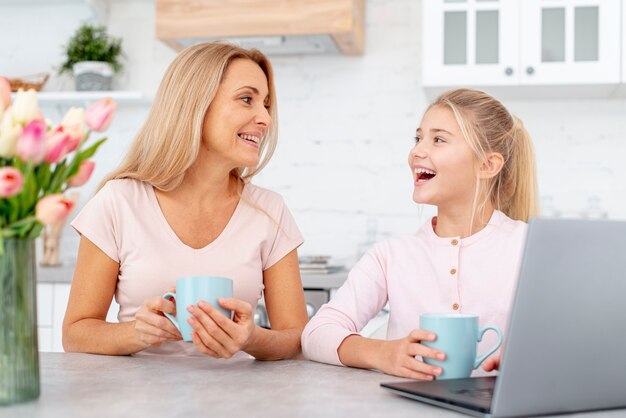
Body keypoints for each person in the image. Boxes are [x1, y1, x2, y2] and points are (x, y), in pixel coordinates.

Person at [63, 42, 309, 359]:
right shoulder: (119, 202)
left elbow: (298, 338)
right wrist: (136, 333)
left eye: (266, 105)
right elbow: (75, 333)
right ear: (195, 104)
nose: (265, 119)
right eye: (247, 99)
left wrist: (250, 339)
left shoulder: (270, 211)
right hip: (139, 403)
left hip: (239, 403)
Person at [301, 88, 538, 379]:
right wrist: (382, 352)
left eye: (438, 139)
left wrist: (532, 357)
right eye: (418, 138)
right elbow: (316, 333)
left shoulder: (530, 247)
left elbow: (577, 334)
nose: (417, 151)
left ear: (487, 165)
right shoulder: (390, 256)